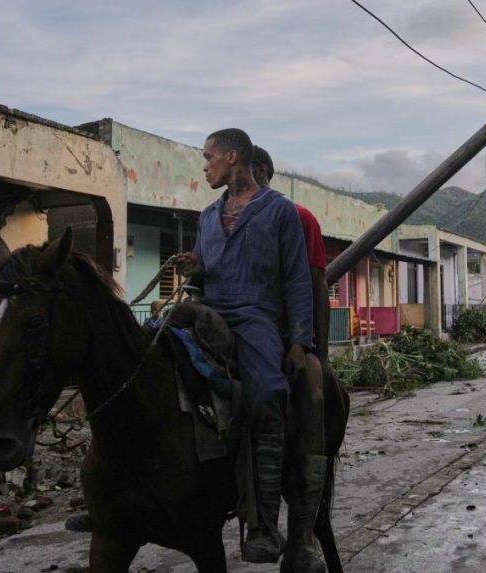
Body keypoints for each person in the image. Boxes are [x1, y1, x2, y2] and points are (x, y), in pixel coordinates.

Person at [176, 128, 312, 564]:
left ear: (233, 157)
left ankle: (263, 524)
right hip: (208, 311)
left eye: (209, 157)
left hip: (255, 316)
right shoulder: (206, 216)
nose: (205, 165)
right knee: (144, 351)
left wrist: (299, 340)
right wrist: (194, 266)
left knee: (270, 392)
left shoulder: (279, 212)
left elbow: (297, 280)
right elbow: (202, 272)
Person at [252, 144, 329, 571]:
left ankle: (300, 537)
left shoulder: (299, 219)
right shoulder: (219, 214)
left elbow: (316, 285)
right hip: (236, 328)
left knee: (311, 394)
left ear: (260, 170)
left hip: (283, 335)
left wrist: (316, 349)